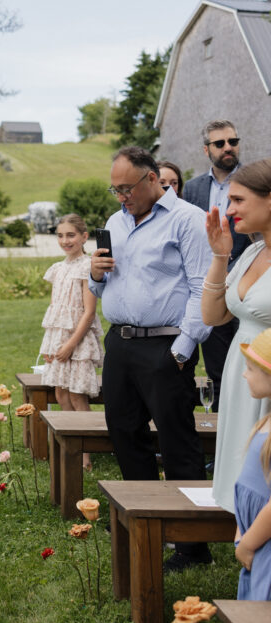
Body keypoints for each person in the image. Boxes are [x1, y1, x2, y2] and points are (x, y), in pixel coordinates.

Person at [90, 146, 212, 572]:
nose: (121, 196)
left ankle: (192, 545)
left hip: (166, 346)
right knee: (124, 433)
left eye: (126, 188)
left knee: (177, 441)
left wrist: (181, 352)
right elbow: (104, 287)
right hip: (120, 345)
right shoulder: (114, 222)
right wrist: (95, 274)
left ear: (152, 178)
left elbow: (202, 287)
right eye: (115, 189)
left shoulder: (187, 220)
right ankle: (144, 522)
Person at [201, 159, 271, 514]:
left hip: (268, 378)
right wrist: (220, 255)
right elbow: (212, 316)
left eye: (239, 200)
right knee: (241, 467)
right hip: (240, 375)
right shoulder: (253, 252)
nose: (229, 211)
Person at [183, 120, 250, 412]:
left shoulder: (253, 182)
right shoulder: (193, 188)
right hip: (211, 286)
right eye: (220, 143)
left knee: (253, 365)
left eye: (233, 142)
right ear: (206, 149)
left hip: (250, 285)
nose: (228, 148)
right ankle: (221, 442)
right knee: (218, 368)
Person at [38, 213, 104, 470]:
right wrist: (51, 345)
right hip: (58, 338)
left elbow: (88, 313)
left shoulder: (87, 267)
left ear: (84, 237)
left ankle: (86, 454)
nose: (65, 240)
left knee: (77, 395)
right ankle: (68, 447)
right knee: (60, 392)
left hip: (77, 340)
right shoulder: (58, 268)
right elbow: (57, 310)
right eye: (61, 236)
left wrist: (70, 346)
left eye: (71, 235)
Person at [234, 328, 271, 601]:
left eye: (250, 368)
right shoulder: (264, 421)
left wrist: (247, 544)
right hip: (257, 540)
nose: (244, 374)